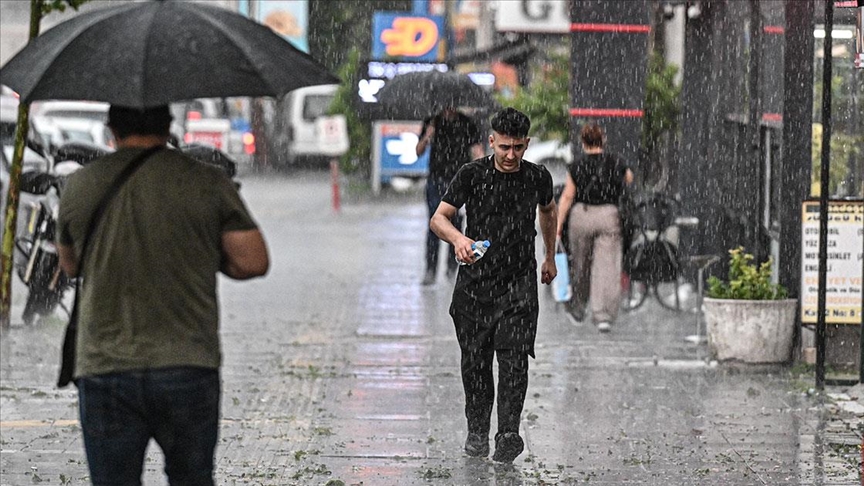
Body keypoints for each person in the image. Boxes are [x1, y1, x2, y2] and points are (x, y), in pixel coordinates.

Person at [56, 105, 269, 485]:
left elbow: (71, 266)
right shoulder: (207, 181)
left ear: (112, 130)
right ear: (168, 126)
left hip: (106, 366)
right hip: (187, 363)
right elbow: (252, 261)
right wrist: (201, 251)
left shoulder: (80, 185)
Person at [430, 107, 558, 463]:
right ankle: (476, 430)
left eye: (518, 147)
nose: (511, 155)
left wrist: (550, 254)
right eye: (504, 147)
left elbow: (548, 211)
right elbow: (439, 218)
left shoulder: (537, 177)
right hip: (476, 284)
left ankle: (508, 433)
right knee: (476, 364)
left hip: (519, 282)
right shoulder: (472, 174)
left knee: (515, 360)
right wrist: (458, 240)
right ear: (492, 141)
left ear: (527, 144)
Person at [556, 122, 634, 333]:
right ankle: (603, 316)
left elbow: (567, 196)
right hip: (609, 215)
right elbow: (629, 179)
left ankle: (579, 307)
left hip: (581, 215)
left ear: (583, 142)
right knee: (606, 267)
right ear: (603, 140)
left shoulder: (577, 165)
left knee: (581, 265)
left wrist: (557, 225)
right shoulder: (616, 161)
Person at [416, 106, 484, 285]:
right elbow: (418, 151)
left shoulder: (467, 123)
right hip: (436, 179)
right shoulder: (432, 121)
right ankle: (431, 268)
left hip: (459, 181)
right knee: (434, 224)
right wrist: (428, 135)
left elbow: (477, 149)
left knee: (456, 225)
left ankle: (453, 268)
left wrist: (483, 170)